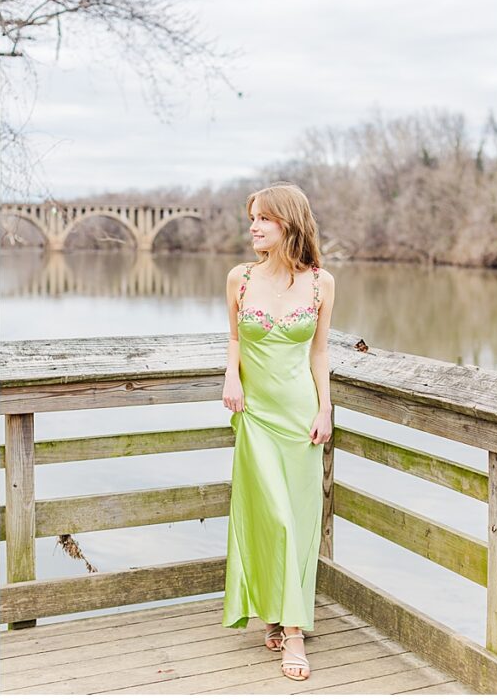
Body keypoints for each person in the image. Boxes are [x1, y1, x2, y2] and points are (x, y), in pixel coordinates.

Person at [220, 181, 335, 681]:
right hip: (257, 415)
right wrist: (230, 376)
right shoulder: (238, 279)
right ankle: (290, 632)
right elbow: (232, 337)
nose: (253, 226)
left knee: (297, 519)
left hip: (300, 416)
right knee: (271, 517)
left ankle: (282, 618)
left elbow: (320, 352)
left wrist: (325, 409)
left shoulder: (320, 282)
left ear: (288, 222)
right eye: (252, 217)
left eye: (263, 218)